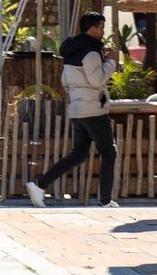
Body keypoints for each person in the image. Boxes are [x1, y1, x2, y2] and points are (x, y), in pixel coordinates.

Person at [27, 12, 119, 208]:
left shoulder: (71, 52)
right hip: (95, 109)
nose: (103, 32)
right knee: (109, 153)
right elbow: (97, 80)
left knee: (78, 155)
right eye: (101, 28)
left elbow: (65, 82)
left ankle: (39, 185)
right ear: (92, 28)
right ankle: (105, 201)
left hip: (77, 109)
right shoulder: (92, 53)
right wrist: (111, 62)